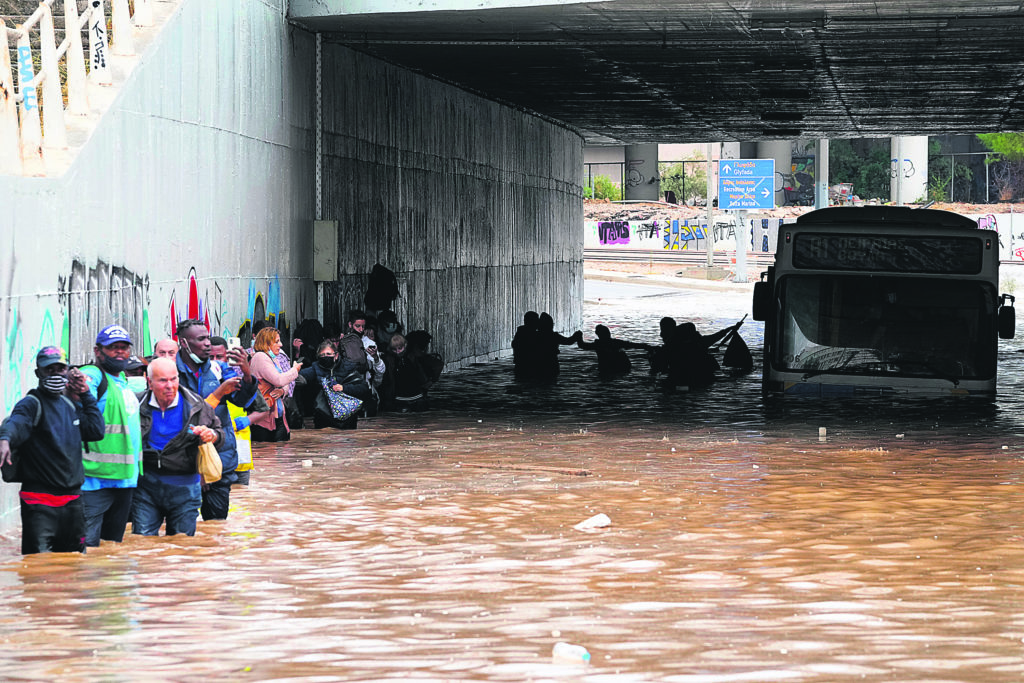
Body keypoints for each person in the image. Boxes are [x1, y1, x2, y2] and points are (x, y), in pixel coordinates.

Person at [0, 346, 104, 554]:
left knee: (73, 566)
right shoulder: (31, 404)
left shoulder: (69, 404)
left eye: (60, 369)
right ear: (39, 373)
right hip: (39, 503)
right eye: (50, 370)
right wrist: (5, 439)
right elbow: (17, 422)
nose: (56, 374)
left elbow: (95, 430)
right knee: (39, 568)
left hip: (73, 502)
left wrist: (85, 394)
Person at [175, 319, 256, 521]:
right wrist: (219, 393)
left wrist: (246, 373)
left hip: (220, 462)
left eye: (207, 338)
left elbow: (242, 400)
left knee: (216, 529)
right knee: (182, 531)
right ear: (184, 343)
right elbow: (185, 417)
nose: (207, 343)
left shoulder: (218, 369)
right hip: (182, 465)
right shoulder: (171, 375)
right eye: (201, 339)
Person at [132, 358, 224, 537]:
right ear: (149, 382)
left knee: (182, 548)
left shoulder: (196, 405)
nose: (169, 385)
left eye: (173, 379)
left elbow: (220, 434)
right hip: (146, 488)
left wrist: (211, 435)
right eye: (163, 380)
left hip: (185, 488)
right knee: (142, 545)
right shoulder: (135, 404)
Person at [78, 324, 144, 548]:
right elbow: (82, 385)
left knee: (111, 551)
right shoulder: (94, 375)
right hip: (95, 483)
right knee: (86, 551)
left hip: (124, 480)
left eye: (124, 348)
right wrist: (77, 383)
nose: (119, 352)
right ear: (98, 351)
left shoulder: (123, 381)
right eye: (113, 347)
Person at [208, 337, 261, 486]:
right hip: (210, 452)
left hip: (239, 452)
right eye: (210, 357)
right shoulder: (199, 380)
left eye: (219, 357)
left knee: (241, 499)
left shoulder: (236, 380)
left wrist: (247, 374)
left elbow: (260, 407)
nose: (215, 361)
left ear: (227, 357)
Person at [249, 327, 303, 441]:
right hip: (264, 416)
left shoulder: (273, 358)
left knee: (281, 450)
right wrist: (295, 370)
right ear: (266, 343)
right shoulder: (260, 357)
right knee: (267, 452)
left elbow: (284, 381)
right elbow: (279, 380)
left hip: (276, 413)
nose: (281, 345)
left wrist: (282, 391)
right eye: (277, 341)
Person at [299, 341, 360, 429]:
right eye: (322, 355)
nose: (325, 357)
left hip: (347, 417)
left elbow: (362, 387)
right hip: (324, 416)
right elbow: (299, 376)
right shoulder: (316, 368)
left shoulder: (348, 367)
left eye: (328, 354)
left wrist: (343, 388)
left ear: (336, 355)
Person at [577, 324, 653, 376]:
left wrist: (578, 337)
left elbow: (583, 345)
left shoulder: (598, 345)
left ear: (598, 334)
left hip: (606, 368)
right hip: (622, 368)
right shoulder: (616, 343)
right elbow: (633, 345)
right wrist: (647, 347)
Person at [511, 311, 540, 379]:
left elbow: (514, 345)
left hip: (520, 365)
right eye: (537, 320)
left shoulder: (521, 332)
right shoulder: (534, 335)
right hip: (530, 365)